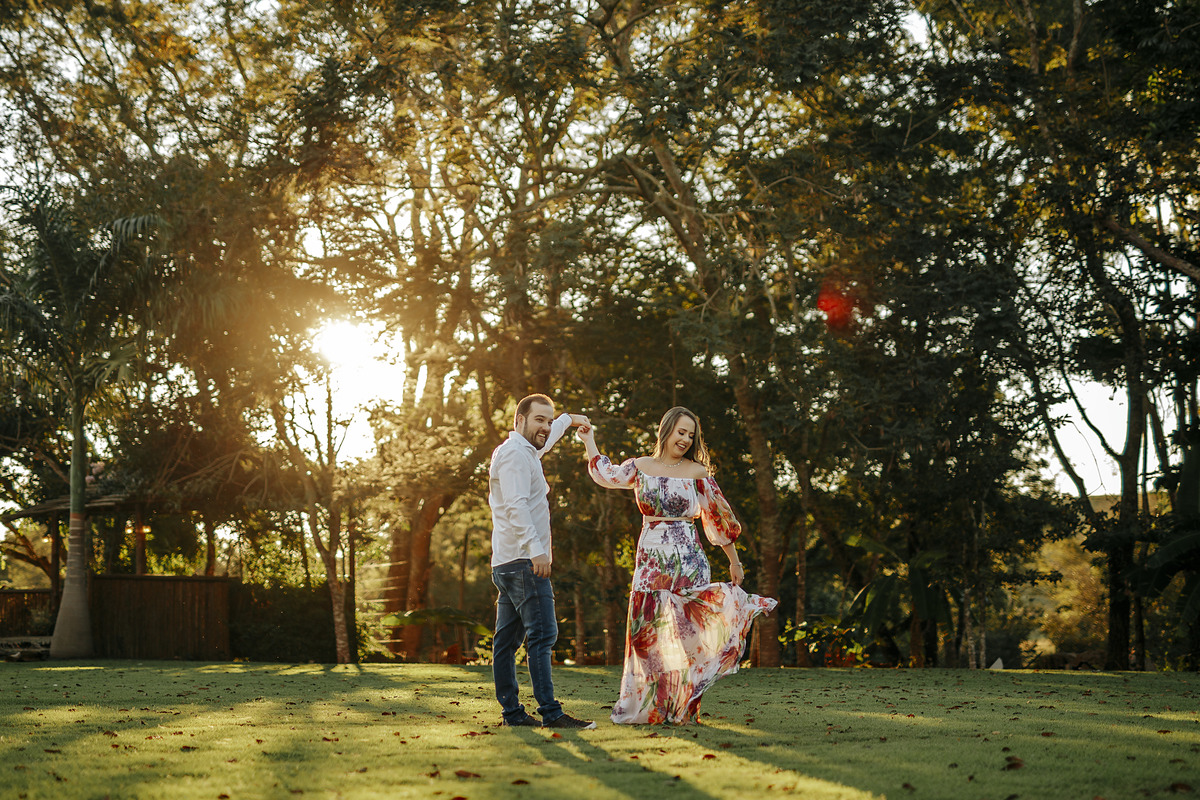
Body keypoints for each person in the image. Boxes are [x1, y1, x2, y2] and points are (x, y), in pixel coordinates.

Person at [578, 406, 777, 725]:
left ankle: (684, 708)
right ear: (666, 430)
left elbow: (719, 518)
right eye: (680, 431)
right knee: (647, 634)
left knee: (687, 636)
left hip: (689, 562)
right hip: (650, 562)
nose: (685, 438)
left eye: (690, 434)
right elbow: (608, 475)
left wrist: (734, 562)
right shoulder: (641, 466)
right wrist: (589, 441)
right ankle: (648, 707)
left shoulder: (697, 472)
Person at [488, 393, 596, 729]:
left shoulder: (525, 452)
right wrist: (537, 550)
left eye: (548, 422)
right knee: (543, 635)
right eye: (539, 420)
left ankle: (513, 715)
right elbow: (516, 507)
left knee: (505, 642)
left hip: (508, 561)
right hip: (524, 561)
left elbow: (547, 442)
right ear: (519, 420)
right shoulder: (515, 456)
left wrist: (568, 419)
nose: (545, 428)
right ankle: (551, 713)